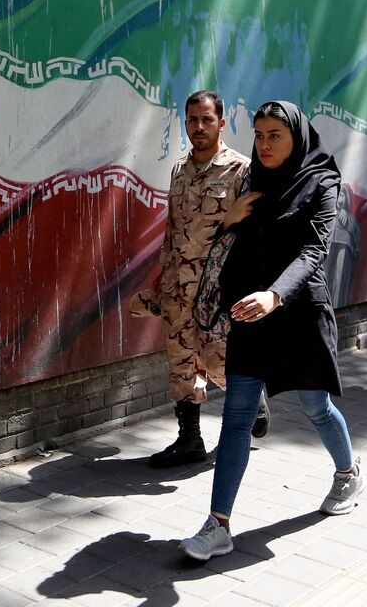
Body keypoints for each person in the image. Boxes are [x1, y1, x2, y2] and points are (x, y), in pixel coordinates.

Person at [179, 100, 364, 561]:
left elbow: (314, 249)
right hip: (250, 311)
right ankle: (218, 524)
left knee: (314, 406)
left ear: (296, 137)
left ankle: (348, 473)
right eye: (258, 135)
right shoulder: (251, 179)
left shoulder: (323, 180)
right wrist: (229, 221)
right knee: (237, 416)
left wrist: (275, 296)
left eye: (274, 136)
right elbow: (225, 240)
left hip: (298, 311)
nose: (263, 144)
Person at [135, 91, 270, 469]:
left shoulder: (241, 170)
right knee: (181, 361)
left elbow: (252, 233)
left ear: (221, 123)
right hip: (180, 284)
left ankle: (252, 397)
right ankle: (189, 440)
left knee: (219, 358)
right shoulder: (179, 169)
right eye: (192, 119)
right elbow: (174, 229)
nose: (198, 127)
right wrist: (163, 278)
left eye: (206, 119)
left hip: (219, 287)